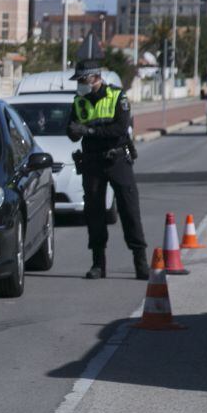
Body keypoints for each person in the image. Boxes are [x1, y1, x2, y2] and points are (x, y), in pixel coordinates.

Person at [66, 59, 150, 280]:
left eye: (83, 79)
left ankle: (140, 262)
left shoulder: (117, 96)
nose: (80, 84)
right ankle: (98, 264)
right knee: (94, 213)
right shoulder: (79, 101)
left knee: (129, 209)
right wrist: (76, 131)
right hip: (92, 162)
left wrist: (89, 131)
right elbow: (72, 129)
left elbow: (119, 128)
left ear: (96, 77)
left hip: (117, 160)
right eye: (79, 80)